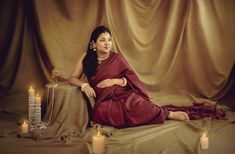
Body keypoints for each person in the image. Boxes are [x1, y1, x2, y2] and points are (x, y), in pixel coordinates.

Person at [69, 26, 225, 128]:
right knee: (101, 113)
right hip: (104, 100)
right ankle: (147, 114)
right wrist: (84, 85)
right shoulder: (86, 58)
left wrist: (114, 81)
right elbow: (73, 78)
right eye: (102, 40)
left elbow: (130, 77)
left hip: (123, 94)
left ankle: (169, 114)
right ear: (94, 44)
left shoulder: (117, 58)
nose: (107, 43)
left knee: (138, 104)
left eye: (109, 39)